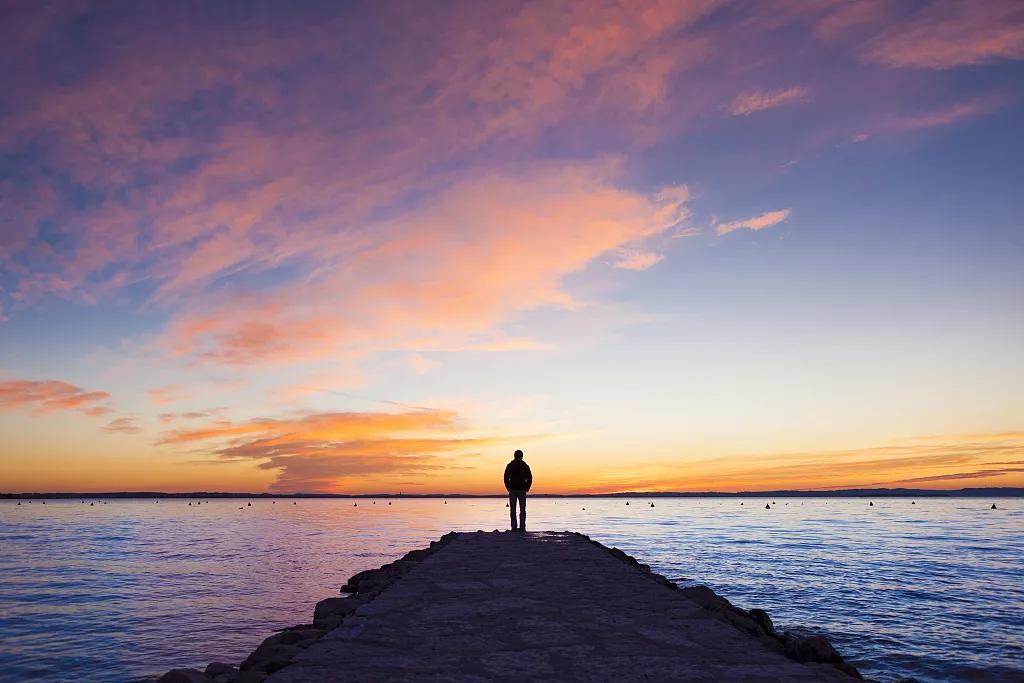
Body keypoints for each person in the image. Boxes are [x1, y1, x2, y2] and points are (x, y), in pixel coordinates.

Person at [504, 449, 532, 531]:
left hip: (514, 489)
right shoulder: (524, 465)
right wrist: (527, 487)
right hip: (520, 490)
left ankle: (514, 527)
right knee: (522, 510)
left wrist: (508, 487)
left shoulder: (510, 465)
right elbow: (529, 477)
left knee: (513, 510)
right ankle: (522, 527)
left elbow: (506, 477)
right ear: (521, 456)